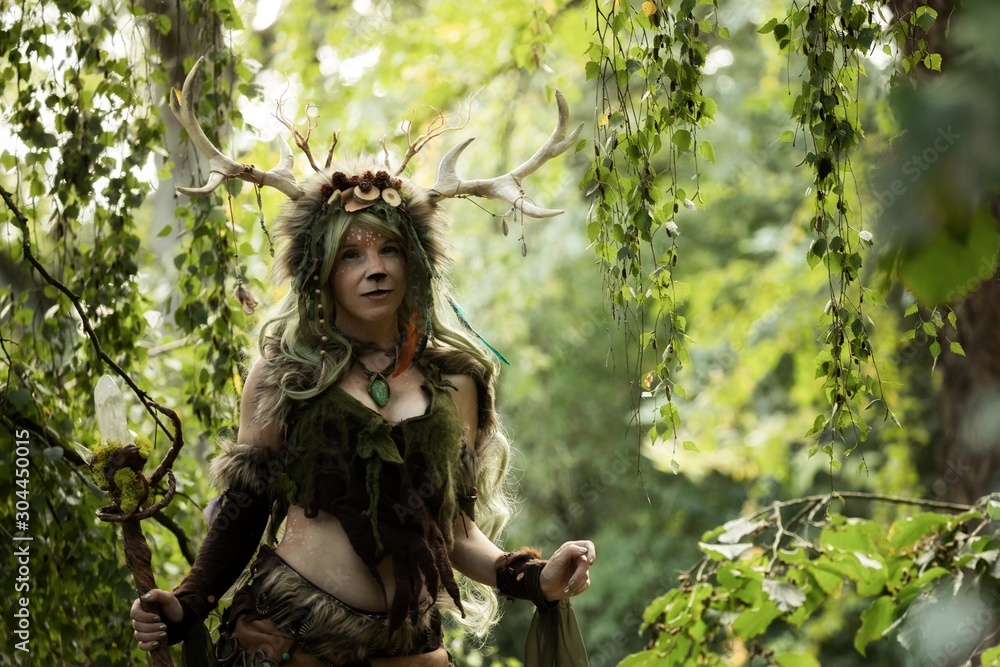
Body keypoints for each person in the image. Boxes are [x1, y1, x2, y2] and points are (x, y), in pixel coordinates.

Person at [129, 159, 594, 666]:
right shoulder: (284, 375)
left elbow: (455, 532)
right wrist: (190, 601)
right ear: (321, 271)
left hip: (410, 653)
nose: (376, 268)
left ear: (413, 262)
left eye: (389, 249)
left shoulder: (455, 382)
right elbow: (245, 509)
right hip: (289, 642)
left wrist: (535, 579)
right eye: (351, 254)